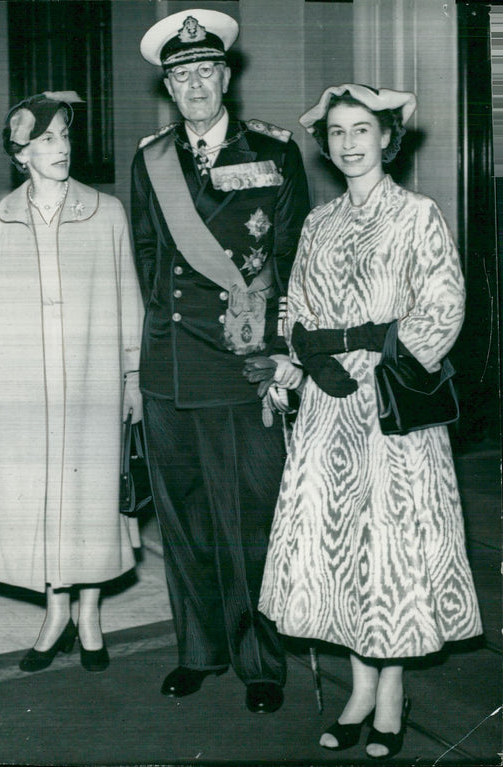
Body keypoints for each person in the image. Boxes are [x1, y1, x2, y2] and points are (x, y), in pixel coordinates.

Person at [258, 84, 483, 758]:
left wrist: (379, 350)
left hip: (391, 408)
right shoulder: (319, 222)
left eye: (362, 130)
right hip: (329, 412)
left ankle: (391, 694)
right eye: (336, 132)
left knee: (390, 555)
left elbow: (444, 304)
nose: (349, 143)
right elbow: (293, 306)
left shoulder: (418, 215)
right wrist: (292, 367)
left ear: (388, 138)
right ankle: (359, 688)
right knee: (341, 554)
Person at [131, 9, 310, 712]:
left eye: (207, 70)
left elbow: (293, 253)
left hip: (244, 364)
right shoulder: (149, 159)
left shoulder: (273, 151)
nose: (196, 84)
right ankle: (198, 650)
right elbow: (148, 253)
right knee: (184, 515)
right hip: (171, 362)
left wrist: (282, 346)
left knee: (249, 516)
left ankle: (259, 660)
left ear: (226, 77)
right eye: (182, 75)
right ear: (169, 89)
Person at [0, 92, 143, 673]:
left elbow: (128, 299)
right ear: (21, 153)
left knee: (91, 495)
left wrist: (132, 374)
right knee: (35, 495)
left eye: (65, 135)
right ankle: (55, 611)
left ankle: (89, 613)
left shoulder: (107, 212)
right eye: (46, 139)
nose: (61, 147)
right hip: (23, 381)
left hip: (93, 375)